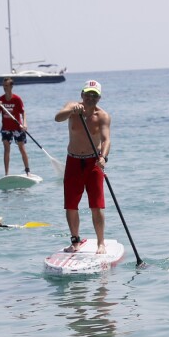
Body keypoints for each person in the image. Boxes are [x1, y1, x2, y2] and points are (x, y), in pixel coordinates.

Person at [55, 80, 111, 254]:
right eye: (87, 94)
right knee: (71, 205)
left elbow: (106, 139)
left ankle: (100, 243)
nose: (90, 98)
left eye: (94, 95)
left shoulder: (102, 116)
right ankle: (75, 241)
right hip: (73, 161)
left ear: (99, 98)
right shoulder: (72, 108)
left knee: (96, 205)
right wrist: (72, 110)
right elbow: (58, 118)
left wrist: (103, 157)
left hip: (93, 162)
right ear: (82, 94)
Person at [0, 77, 30, 175]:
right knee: (6, 149)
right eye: (3, 86)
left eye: (6, 86)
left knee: (22, 149)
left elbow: (23, 113)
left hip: (17, 127)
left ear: (11, 86)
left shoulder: (17, 99)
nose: (4, 88)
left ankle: (28, 171)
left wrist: (24, 124)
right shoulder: (0, 99)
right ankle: (6, 173)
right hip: (6, 128)